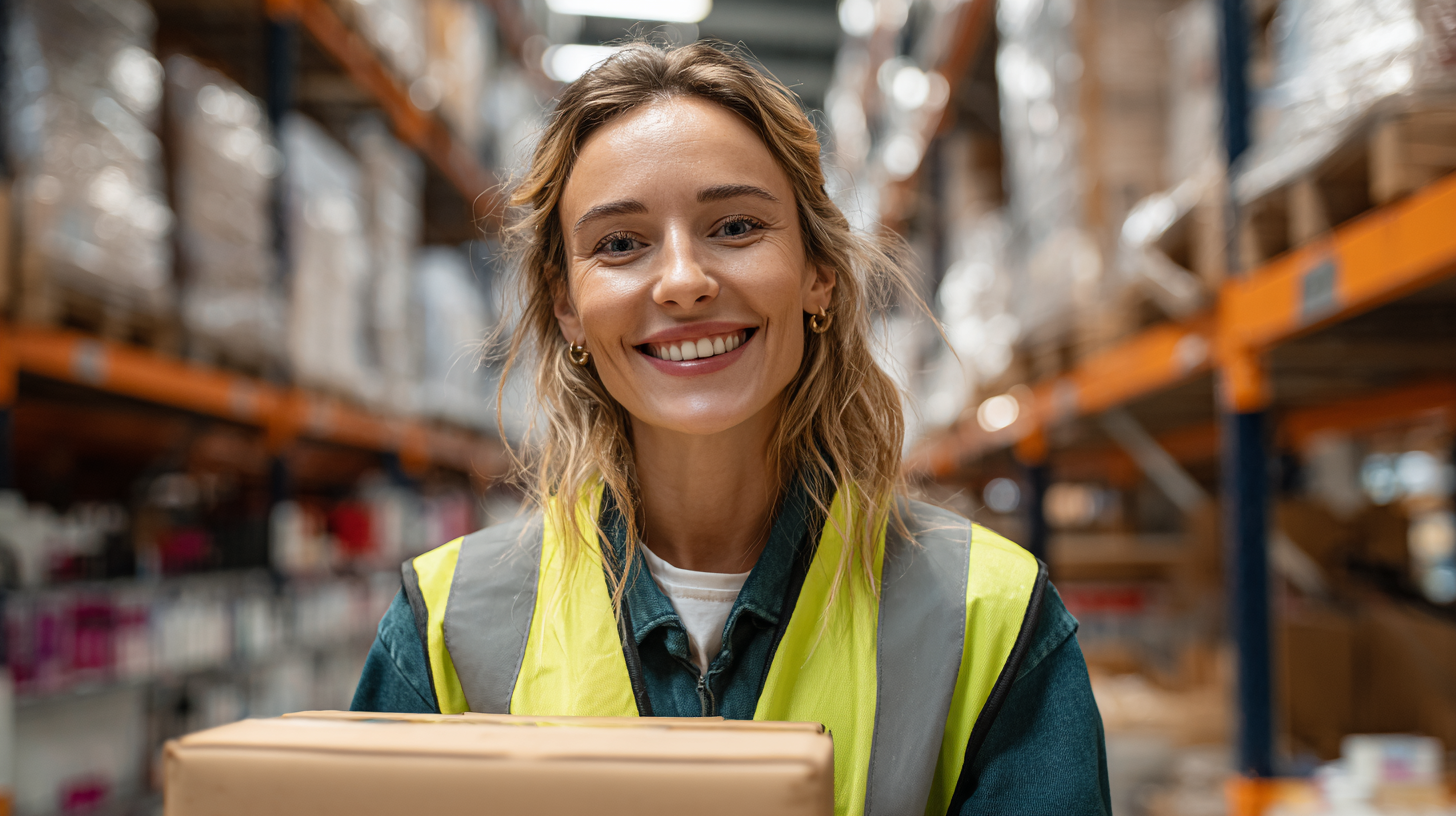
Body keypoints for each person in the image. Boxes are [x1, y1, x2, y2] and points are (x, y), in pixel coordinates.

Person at [352, 40, 1110, 816]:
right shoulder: (446, 627)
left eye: (737, 226)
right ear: (567, 306)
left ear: (819, 274)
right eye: (620, 244)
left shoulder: (988, 617)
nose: (683, 281)